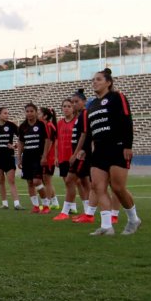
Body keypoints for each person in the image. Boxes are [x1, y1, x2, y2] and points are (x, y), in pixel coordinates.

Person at [87, 68, 141, 236]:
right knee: (97, 187)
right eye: (93, 79)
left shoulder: (117, 97)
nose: (94, 82)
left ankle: (133, 219)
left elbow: (126, 119)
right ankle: (106, 226)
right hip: (99, 150)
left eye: (98, 79)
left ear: (108, 82)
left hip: (117, 147)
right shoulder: (92, 104)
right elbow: (91, 130)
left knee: (117, 187)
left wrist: (127, 145)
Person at [16, 103, 50, 214]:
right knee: (30, 182)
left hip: (38, 157)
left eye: (32, 111)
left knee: (37, 181)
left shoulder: (42, 124)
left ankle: (45, 205)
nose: (29, 113)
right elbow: (21, 142)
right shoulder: (22, 127)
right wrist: (19, 158)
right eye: (27, 111)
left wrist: (45, 156)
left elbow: (47, 140)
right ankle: (35, 206)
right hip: (27, 157)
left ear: (36, 112)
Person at [69, 90, 96, 224]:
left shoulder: (85, 114)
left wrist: (77, 153)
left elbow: (85, 134)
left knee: (74, 180)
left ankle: (89, 212)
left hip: (82, 154)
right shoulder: (80, 116)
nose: (74, 105)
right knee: (84, 182)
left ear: (84, 102)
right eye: (72, 102)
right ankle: (88, 212)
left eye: (76, 102)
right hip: (81, 153)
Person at [52, 98, 78, 221]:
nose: (66, 108)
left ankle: (69, 209)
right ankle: (73, 206)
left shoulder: (77, 121)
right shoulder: (60, 123)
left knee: (78, 182)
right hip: (63, 157)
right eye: (64, 106)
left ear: (73, 108)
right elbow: (57, 141)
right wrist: (56, 156)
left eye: (69, 106)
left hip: (74, 157)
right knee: (67, 183)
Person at [39, 107, 60, 211]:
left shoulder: (48, 125)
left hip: (49, 158)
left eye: (39, 113)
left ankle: (47, 203)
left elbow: (50, 142)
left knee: (47, 180)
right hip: (47, 157)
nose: (37, 115)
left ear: (45, 116)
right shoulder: (46, 125)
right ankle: (54, 201)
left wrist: (44, 156)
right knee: (46, 180)